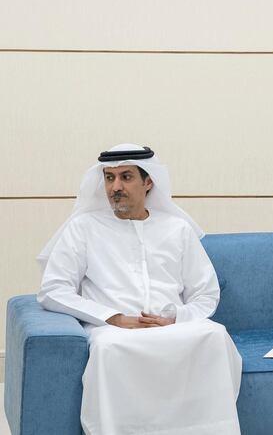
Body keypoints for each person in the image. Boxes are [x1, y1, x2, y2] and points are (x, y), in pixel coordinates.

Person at [37, 144, 242, 435]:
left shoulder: (176, 229)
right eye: (109, 178)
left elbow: (205, 292)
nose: (115, 187)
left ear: (148, 182)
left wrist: (175, 318)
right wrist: (113, 317)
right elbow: (53, 289)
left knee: (215, 336)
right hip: (114, 331)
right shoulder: (84, 228)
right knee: (109, 349)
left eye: (126, 177)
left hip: (171, 326)